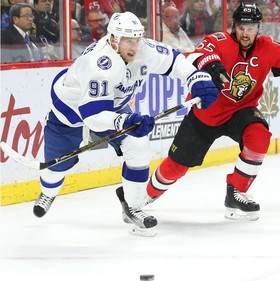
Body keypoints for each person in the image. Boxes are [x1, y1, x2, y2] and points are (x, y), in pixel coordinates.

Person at [129, 2, 280, 235]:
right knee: (176, 167)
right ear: (234, 26)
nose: (245, 32)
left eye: (250, 28)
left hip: (242, 110)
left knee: (260, 137)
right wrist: (211, 67)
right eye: (241, 27)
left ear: (259, 28)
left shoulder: (268, 47)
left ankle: (236, 193)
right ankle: (144, 197)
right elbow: (195, 57)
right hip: (206, 112)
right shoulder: (218, 41)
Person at [33, 11, 219, 237]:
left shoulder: (142, 48)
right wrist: (125, 120)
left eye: (136, 39)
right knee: (56, 168)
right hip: (70, 111)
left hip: (113, 106)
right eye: (127, 41)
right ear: (112, 40)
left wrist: (195, 78)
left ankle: (133, 207)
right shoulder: (99, 64)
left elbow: (174, 60)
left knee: (138, 146)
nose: (134, 46)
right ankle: (47, 192)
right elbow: (93, 115)